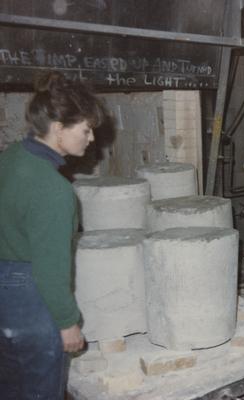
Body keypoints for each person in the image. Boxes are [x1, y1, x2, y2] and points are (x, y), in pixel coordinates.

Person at [0, 71, 103, 398]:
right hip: (30, 297)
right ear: (58, 128)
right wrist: (67, 322)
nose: (91, 140)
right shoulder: (54, 190)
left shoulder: (12, 157)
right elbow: (50, 269)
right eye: (86, 130)